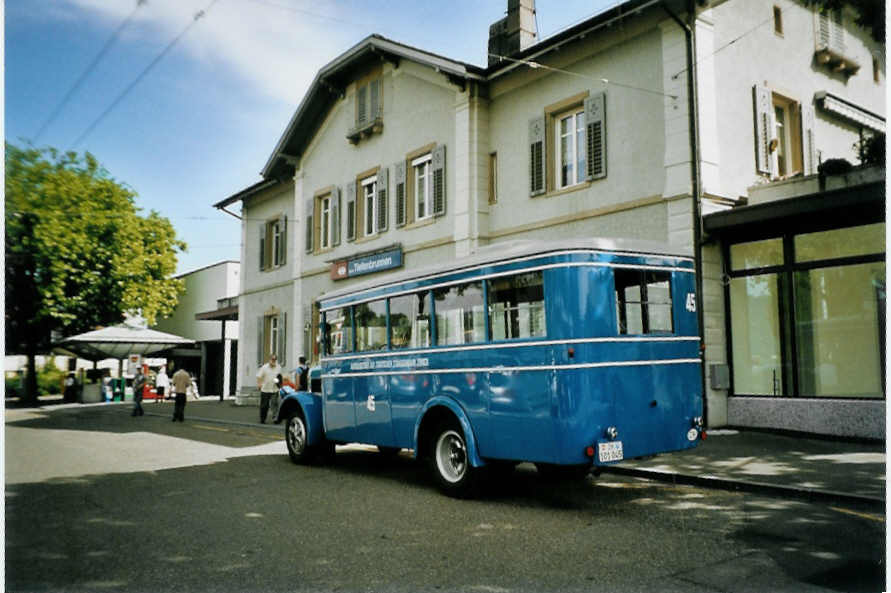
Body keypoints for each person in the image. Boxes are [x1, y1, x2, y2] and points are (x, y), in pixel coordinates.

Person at [256, 354, 282, 424]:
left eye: (275, 359)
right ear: (269, 360)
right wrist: (259, 384)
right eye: (272, 359)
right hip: (265, 389)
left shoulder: (278, 367)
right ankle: (263, 418)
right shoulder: (264, 367)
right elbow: (259, 376)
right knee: (264, 405)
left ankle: (275, 418)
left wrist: (279, 383)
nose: (274, 361)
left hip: (274, 389)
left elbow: (279, 376)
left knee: (275, 404)